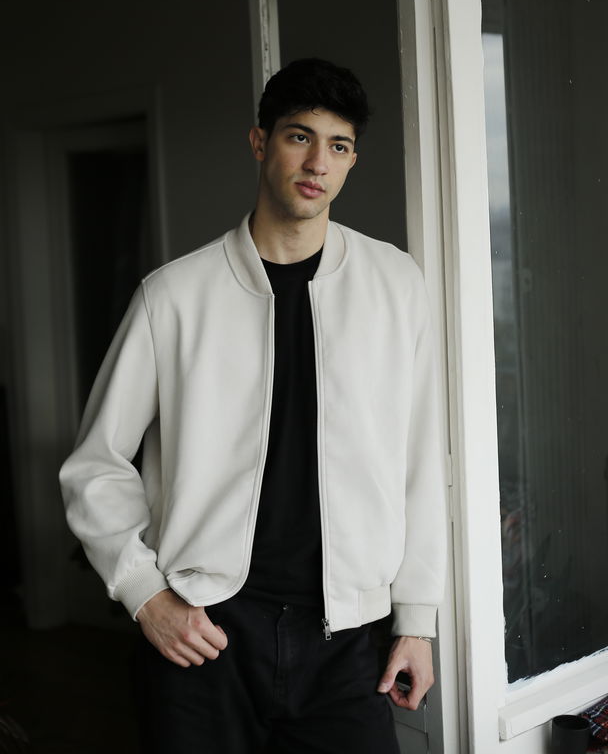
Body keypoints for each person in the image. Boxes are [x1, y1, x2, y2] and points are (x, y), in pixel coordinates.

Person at [59, 57, 446, 753]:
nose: (318, 163)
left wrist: (416, 620)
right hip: (204, 632)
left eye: (338, 146)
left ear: (352, 160)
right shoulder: (173, 296)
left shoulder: (396, 283)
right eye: (299, 137)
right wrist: (145, 593)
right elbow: (96, 464)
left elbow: (420, 461)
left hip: (346, 636)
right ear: (260, 142)